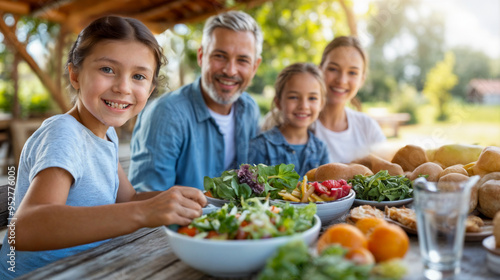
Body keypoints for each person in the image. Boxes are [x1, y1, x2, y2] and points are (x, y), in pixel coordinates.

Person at [0, 16, 206, 279]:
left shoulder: (106, 133)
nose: (123, 87)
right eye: (107, 69)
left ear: (151, 87)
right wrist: (143, 212)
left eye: (139, 76)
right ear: (75, 74)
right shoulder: (64, 134)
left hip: (92, 266)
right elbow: (26, 229)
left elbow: (128, 199)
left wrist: (178, 200)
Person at [129, 11, 262, 191]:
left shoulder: (250, 109)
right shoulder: (166, 114)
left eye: (243, 60)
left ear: (255, 67)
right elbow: (147, 200)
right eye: (220, 56)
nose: (230, 71)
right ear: (201, 56)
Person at [248, 63, 330, 176]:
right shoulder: (260, 146)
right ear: (278, 102)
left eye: (312, 98)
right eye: (294, 97)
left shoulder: (321, 149)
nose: (304, 106)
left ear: (321, 104)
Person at [315, 36, 386, 163]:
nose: (342, 80)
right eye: (333, 69)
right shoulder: (292, 120)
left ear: (362, 80)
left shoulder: (367, 127)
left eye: (352, 73)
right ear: (320, 71)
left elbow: (388, 171)